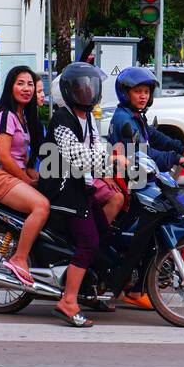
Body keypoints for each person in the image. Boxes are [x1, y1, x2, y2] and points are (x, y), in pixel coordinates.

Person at [39, 62, 121, 328]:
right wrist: (112, 161)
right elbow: (78, 157)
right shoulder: (63, 119)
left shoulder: (87, 119)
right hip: (64, 190)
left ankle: (88, 289)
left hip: (81, 187)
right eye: (81, 87)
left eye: (90, 86)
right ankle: (68, 301)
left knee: (103, 235)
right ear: (69, 90)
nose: (87, 91)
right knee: (88, 242)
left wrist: (113, 159)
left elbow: (99, 147)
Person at [109, 67, 184, 309]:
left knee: (176, 208)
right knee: (150, 231)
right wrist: (176, 159)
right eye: (138, 91)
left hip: (143, 179)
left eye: (146, 91)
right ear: (126, 93)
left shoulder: (136, 116)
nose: (143, 96)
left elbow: (154, 137)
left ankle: (141, 283)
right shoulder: (124, 119)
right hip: (134, 184)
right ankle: (133, 287)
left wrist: (182, 149)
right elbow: (144, 153)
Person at [0, 66, 48, 287]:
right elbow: (5, 157)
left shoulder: (23, 118)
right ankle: (18, 258)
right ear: (10, 86)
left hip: (11, 174)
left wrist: (44, 178)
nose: (26, 89)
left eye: (30, 85)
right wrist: (27, 181)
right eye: (20, 83)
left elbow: (23, 162)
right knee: (41, 206)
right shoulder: (5, 116)